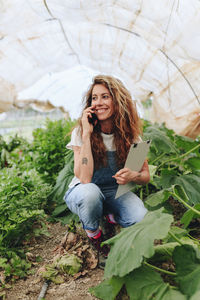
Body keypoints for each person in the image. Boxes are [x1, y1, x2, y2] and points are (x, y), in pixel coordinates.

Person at [64, 75, 150, 257]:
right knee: (90, 193)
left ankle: (110, 216)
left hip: (116, 191)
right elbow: (85, 179)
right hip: (84, 190)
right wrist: (87, 134)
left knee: (140, 218)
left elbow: (145, 176)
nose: (98, 102)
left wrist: (133, 176)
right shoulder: (81, 132)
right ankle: (94, 234)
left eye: (105, 96)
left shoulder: (131, 136)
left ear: (118, 101)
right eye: (94, 98)